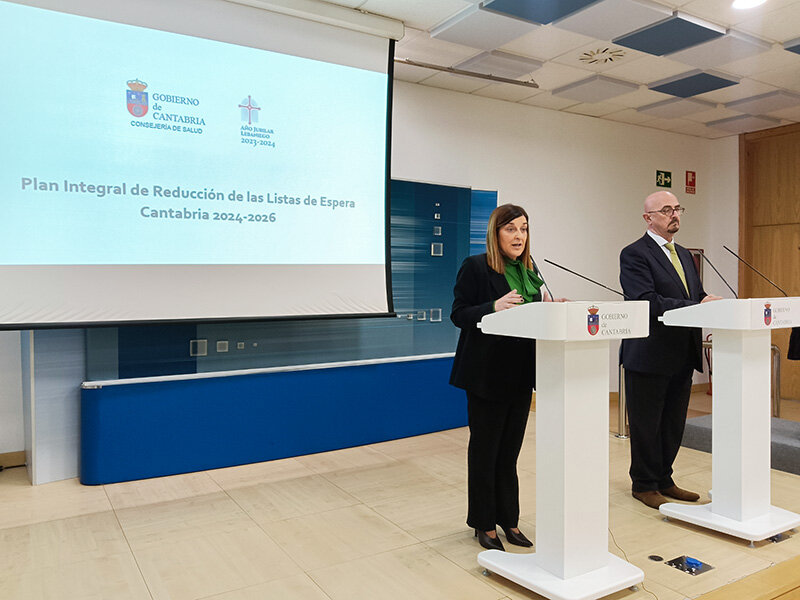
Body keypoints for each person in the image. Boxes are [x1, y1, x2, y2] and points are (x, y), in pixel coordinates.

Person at [450, 203, 562, 551]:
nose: (518, 236)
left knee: (509, 453)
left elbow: (532, 316)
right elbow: (458, 314)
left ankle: (509, 520)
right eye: (511, 228)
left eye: (524, 229)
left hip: (520, 374)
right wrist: (492, 307)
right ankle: (484, 523)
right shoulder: (476, 267)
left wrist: (553, 309)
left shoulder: (530, 272)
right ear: (496, 233)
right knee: (485, 451)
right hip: (485, 375)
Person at [619, 190, 721, 510]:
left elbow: (696, 294)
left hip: (681, 352)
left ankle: (664, 478)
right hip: (650, 353)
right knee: (647, 423)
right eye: (666, 210)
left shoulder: (686, 255)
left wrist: (708, 301)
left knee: (673, 422)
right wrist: (696, 305)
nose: (674, 214)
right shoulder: (635, 254)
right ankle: (644, 483)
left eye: (678, 208)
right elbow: (645, 300)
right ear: (648, 218)